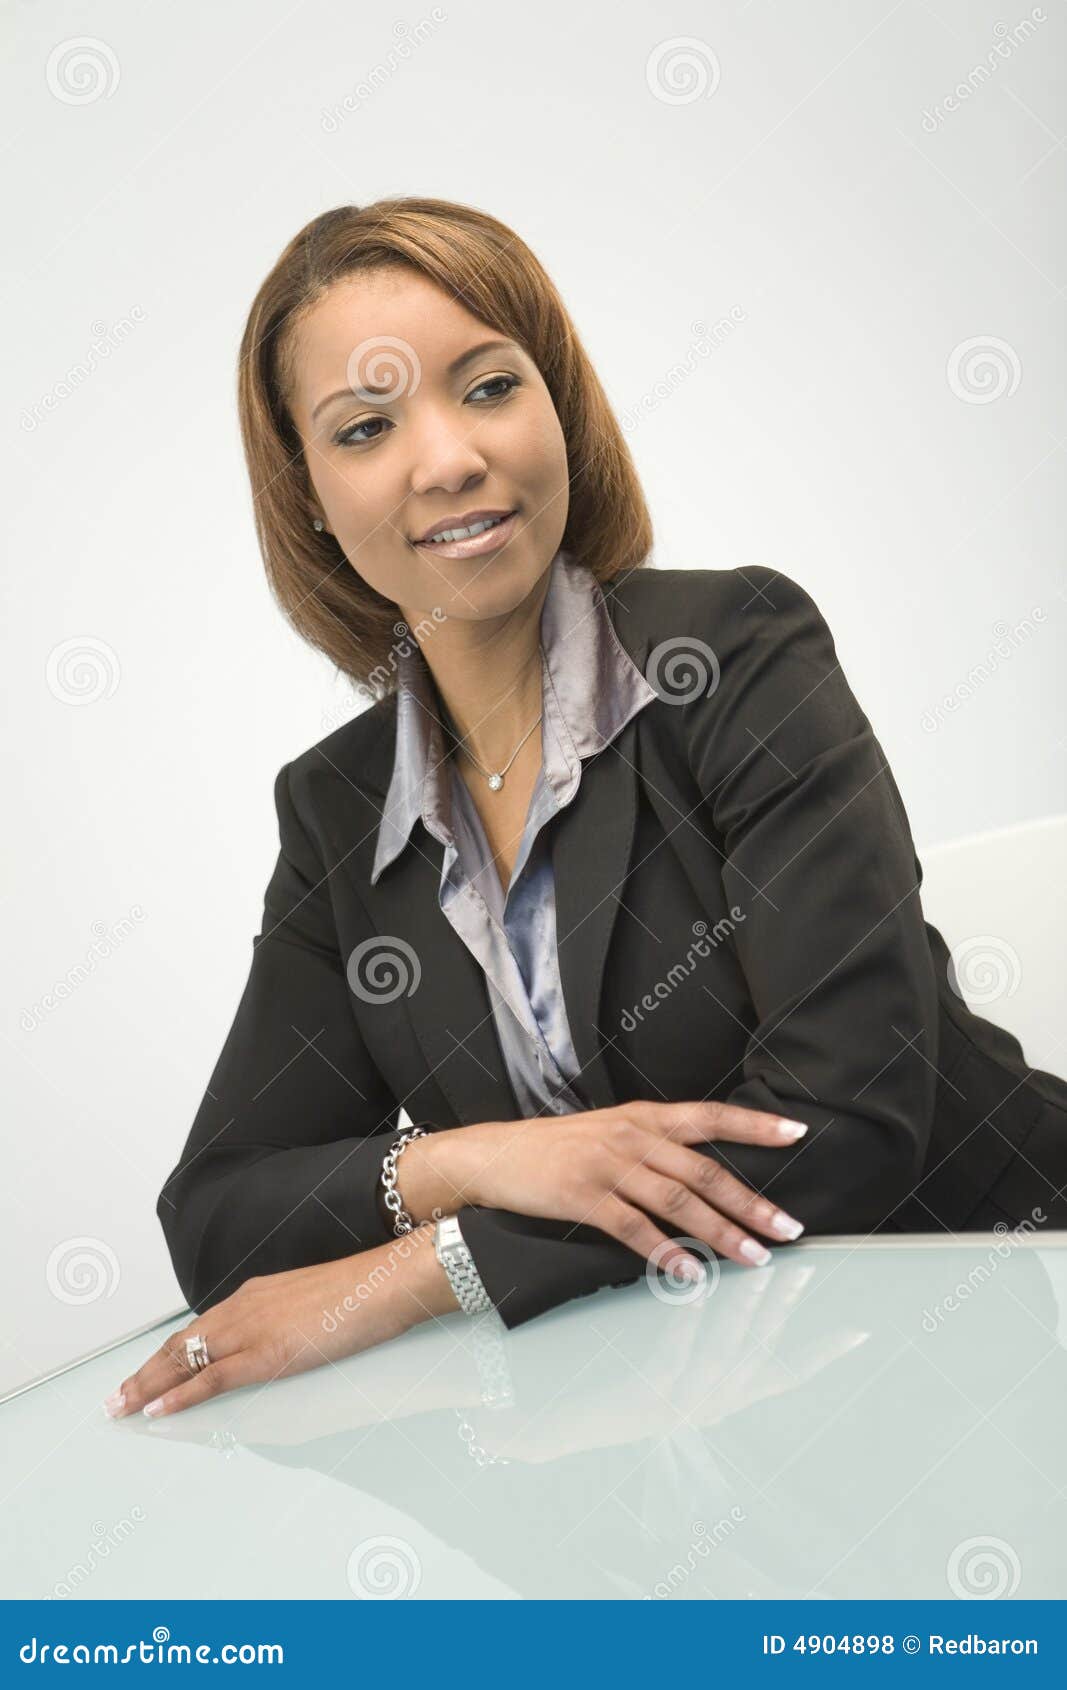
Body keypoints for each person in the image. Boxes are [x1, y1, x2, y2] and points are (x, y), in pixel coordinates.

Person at [104, 198, 1067, 1423]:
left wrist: (434, 1264)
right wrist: (477, 1159)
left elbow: (843, 1124)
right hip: (652, 1424)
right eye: (366, 426)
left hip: (970, 1346)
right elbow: (223, 1217)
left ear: (557, 403)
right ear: (307, 497)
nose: (449, 458)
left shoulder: (733, 656)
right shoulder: (339, 810)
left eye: (490, 387)